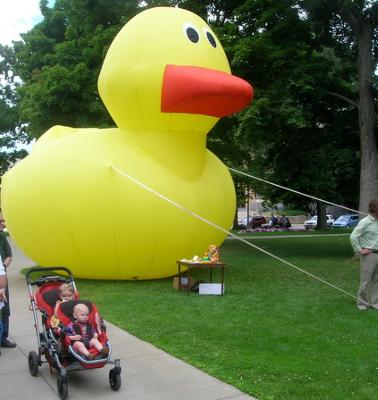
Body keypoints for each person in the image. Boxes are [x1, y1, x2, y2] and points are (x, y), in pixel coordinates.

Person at [350, 199, 378, 310]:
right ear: (375, 209)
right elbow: (353, 237)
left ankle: (375, 304)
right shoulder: (365, 222)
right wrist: (360, 250)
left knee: (377, 281)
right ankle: (362, 304)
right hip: (370, 256)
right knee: (365, 281)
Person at [0, 215, 15, 348]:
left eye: (3, 220)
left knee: (4, 308)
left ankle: (3, 337)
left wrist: (2, 266)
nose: (3, 223)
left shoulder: (2, 238)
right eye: (0, 221)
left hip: (1, 279)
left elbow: (9, 255)